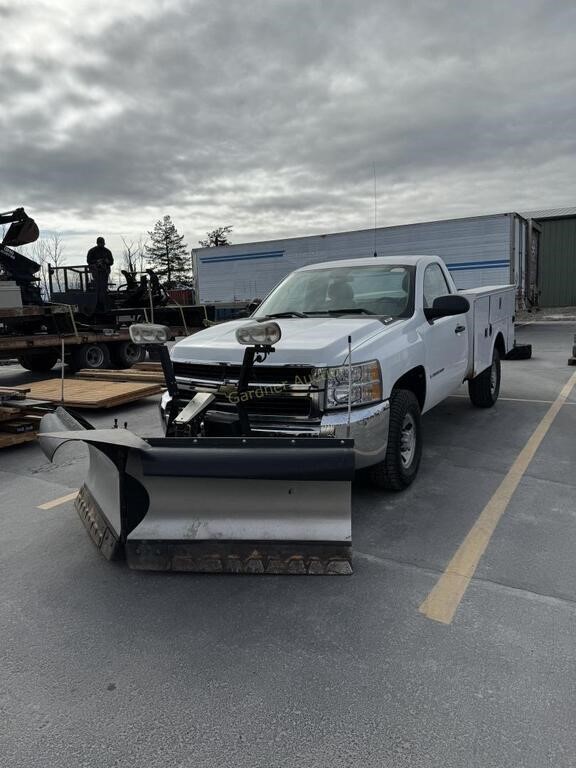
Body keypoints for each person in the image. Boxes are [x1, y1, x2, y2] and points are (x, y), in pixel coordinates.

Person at [86, 236, 114, 309]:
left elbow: (111, 262)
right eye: (100, 243)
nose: (101, 244)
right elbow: (89, 261)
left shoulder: (107, 251)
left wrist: (106, 262)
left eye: (102, 243)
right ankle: (99, 301)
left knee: (103, 287)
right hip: (96, 271)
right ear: (97, 243)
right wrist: (97, 262)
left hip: (105, 271)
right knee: (98, 286)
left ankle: (103, 301)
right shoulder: (92, 251)